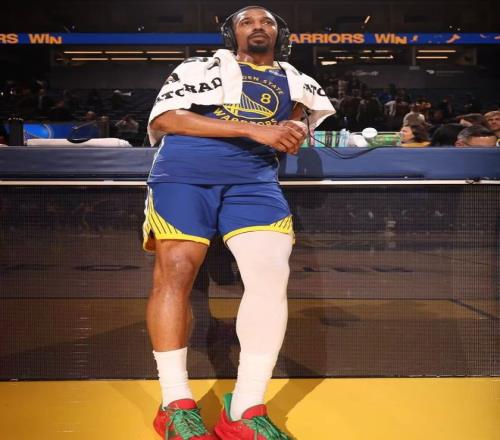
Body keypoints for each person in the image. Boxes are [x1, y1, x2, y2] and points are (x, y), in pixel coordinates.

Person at [143, 6, 335, 440]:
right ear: (232, 34)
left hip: (254, 182)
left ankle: (245, 410)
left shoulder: (298, 82)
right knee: (176, 273)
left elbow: (295, 126)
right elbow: (165, 119)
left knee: (270, 276)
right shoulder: (198, 67)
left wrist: (292, 132)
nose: (258, 26)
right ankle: (174, 403)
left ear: (280, 33)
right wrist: (254, 130)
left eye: (266, 21)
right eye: (246, 22)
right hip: (184, 175)